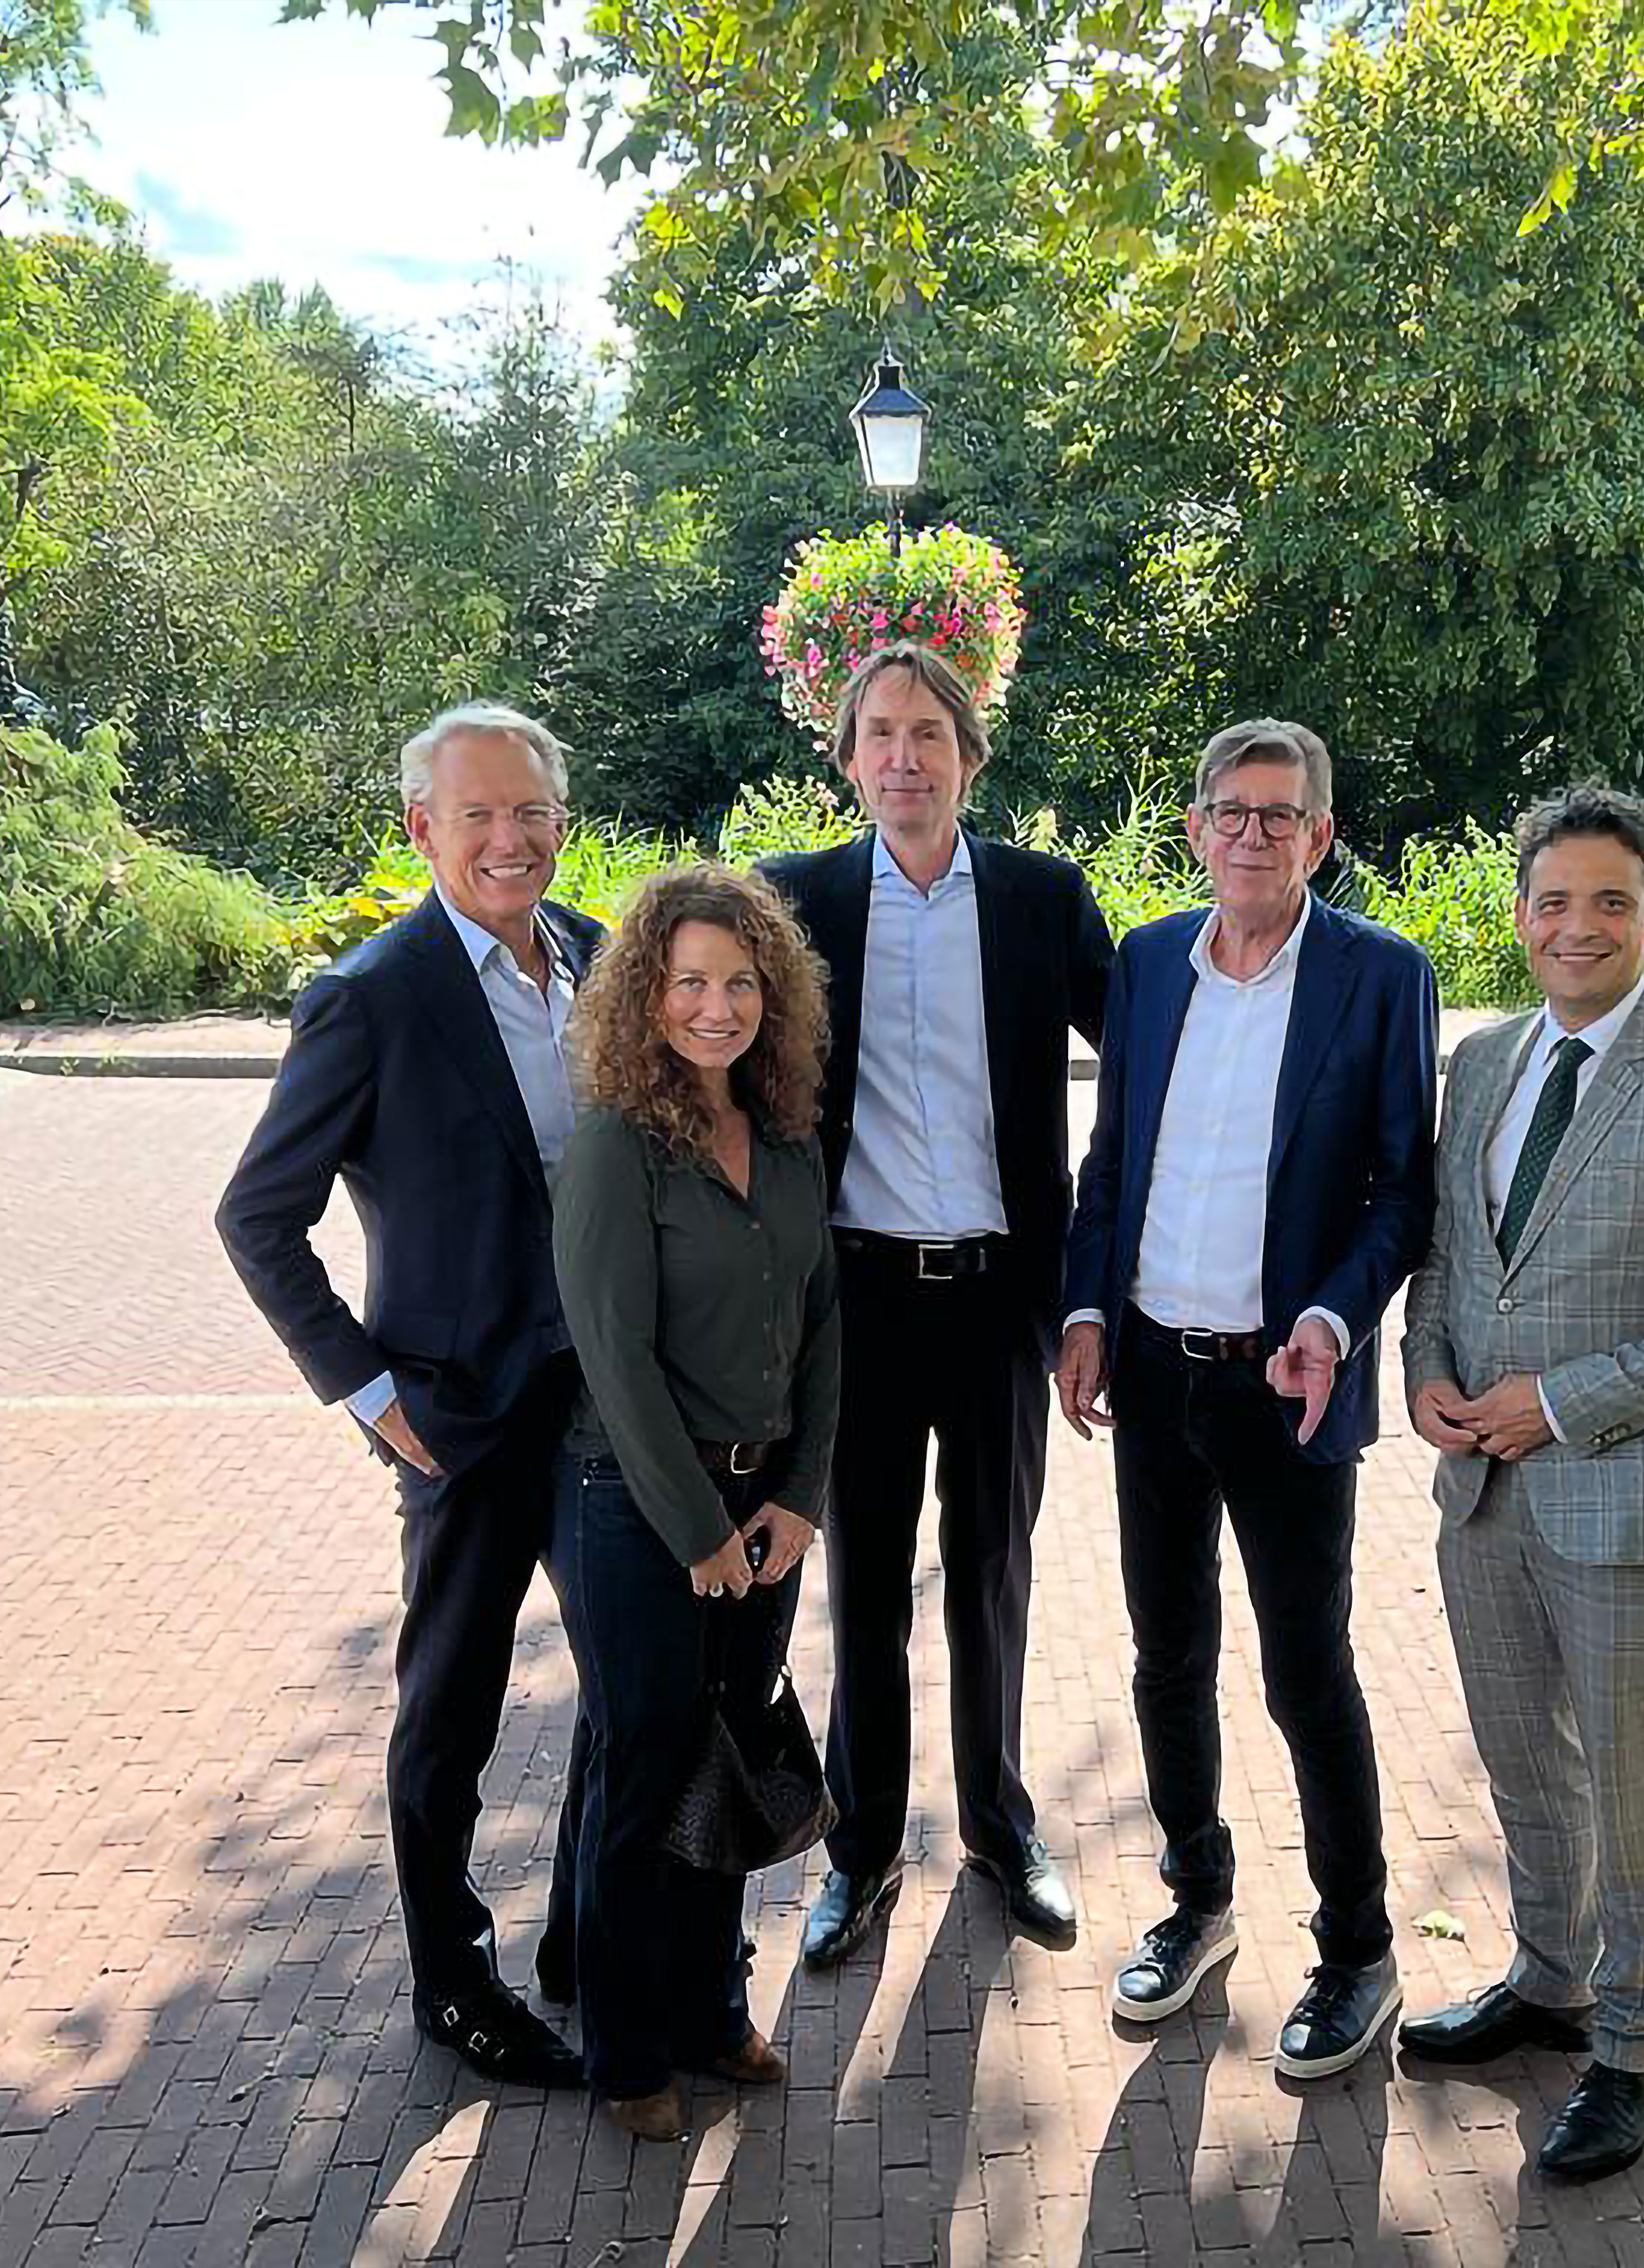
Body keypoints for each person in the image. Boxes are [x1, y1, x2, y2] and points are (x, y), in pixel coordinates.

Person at [1395, 782, 1644, 2182]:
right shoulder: (1483, 1062)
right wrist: (1424, 1373)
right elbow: (1448, 1256)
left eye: (1610, 903)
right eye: (1555, 901)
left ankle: (1635, 2049)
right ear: (1519, 915)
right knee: (1524, 1763)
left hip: (1631, 1499)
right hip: (1482, 1494)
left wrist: (1558, 1405)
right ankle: (1550, 1981)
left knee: (1634, 1788)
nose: (1580, 926)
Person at [215, 704, 599, 2089]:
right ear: (422, 829)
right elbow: (258, 1217)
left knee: (629, 1685)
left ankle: (583, 1939)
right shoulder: (372, 994)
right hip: (461, 1417)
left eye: (531, 811)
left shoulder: (597, 960)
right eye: (478, 814)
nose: (509, 839)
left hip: (605, 1408)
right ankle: (453, 1982)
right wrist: (370, 1392)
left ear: (561, 822)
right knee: (451, 1715)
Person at [1058, 717, 1438, 2080]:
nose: (1255, 835)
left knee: (1305, 1669)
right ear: (1196, 827)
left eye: (1283, 815)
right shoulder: (1148, 961)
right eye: (1232, 811)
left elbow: (1403, 1192)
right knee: (1166, 1656)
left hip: (1290, 1384)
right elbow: (1112, 1159)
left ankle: (1358, 1949)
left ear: (1320, 837)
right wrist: (1085, 1311)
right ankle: (1197, 1899)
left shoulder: (1379, 974)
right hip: (1154, 1371)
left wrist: (1333, 1320)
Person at [762, 642, 1112, 1966]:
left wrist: (1092, 1295)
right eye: (881, 733)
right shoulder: (793, 902)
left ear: (970, 755)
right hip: (852, 1303)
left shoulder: (1039, 898)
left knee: (990, 1576)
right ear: (848, 758)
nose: (904, 757)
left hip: (996, 1298)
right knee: (863, 1585)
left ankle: (1000, 1825)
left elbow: (1150, 1063)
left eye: (929, 734)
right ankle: (857, 1850)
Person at [547, 864, 841, 2141]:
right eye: (688, 983)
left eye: (740, 984)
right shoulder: (617, 1147)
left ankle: (715, 2012)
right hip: (634, 1506)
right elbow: (614, 1359)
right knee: (646, 1768)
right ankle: (627, 2052)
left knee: (732, 1753)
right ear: (644, 996)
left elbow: (824, 1328)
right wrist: (697, 1532)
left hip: (763, 1506)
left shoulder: (785, 1136)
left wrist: (801, 1495)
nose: (716, 1008)